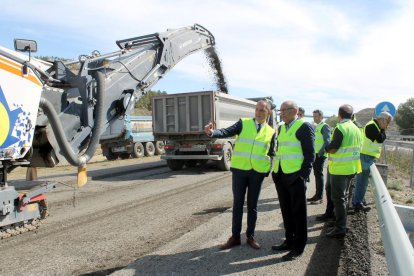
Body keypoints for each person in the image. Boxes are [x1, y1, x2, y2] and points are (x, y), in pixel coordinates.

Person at [204, 100, 275, 250]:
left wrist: (266, 170)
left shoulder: (271, 131)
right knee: (237, 204)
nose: (258, 112)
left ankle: (250, 236)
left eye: (262, 110)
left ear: (268, 112)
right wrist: (212, 133)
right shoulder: (244, 123)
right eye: (256, 109)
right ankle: (235, 237)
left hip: (257, 173)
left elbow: (271, 153)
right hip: (240, 171)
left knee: (252, 206)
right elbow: (226, 131)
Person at [271, 100, 315, 261]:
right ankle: (289, 241)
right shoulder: (282, 127)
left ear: (294, 110)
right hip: (281, 174)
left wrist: (303, 175)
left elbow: (310, 154)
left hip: (296, 176)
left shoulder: (304, 126)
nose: (280, 113)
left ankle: (298, 247)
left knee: (298, 213)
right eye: (280, 110)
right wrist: (275, 173)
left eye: (283, 110)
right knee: (286, 210)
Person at [325, 104, 362, 238]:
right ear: (352, 115)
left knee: (339, 199)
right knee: (344, 197)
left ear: (339, 115)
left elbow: (334, 147)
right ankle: (340, 223)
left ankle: (340, 227)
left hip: (340, 169)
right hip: (352, 167)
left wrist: (326, 148)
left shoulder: (340, 127)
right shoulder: (357, 129)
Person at [352, 111, 393, 211]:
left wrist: (382, 131)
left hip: (367, 157)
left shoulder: (376, 126)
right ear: (382, 120)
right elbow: (380, 139)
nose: (387, 125)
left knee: (363, 181)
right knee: (362, 181)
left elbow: (382, 137)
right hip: (365, 156)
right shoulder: (371, 126)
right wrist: (383, 131)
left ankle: (358, 200)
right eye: (387, 122)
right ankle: (357, 203)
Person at [307, 109, 331, 204]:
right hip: (316, 154)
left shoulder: (324, 126)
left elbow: (327, 141)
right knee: (316, 175)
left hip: (320, 155)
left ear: (321, 117)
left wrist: (320, 153)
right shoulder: (317, 126)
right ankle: (317, 195)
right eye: (313, 116)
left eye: (316, 116)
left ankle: (319, 197)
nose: (314, 118)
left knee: (319, 175)